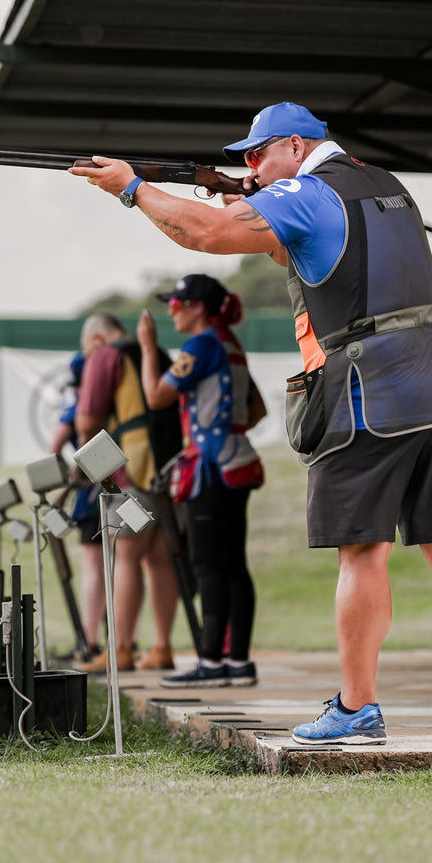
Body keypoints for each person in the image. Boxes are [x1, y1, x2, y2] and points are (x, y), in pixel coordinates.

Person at [69, 101, 432, 745]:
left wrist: (134, 189)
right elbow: (314, 258)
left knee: (362, 552)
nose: (248, 166)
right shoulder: (386, 187)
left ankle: (359, 709)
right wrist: (237, 192)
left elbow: (204, 236)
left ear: (296, 147)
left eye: (256, 154)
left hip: (366, 395)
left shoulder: (308, 192)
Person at [131, 274, 267, 688]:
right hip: (235, 460)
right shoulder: (229, 343)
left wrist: (148, 349)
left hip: (210, 468)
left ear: (196, 308)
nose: (170, 312)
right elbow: (257, 408)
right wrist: (226, 426)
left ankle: (210, 663)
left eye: (175, 305)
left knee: (208, 565)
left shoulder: (203, 344)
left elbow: (156, 396)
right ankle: (237, 661)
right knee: (232, 566)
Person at [74, 313, 182, 673]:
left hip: (130, 470)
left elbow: (87, 419)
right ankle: (162, 647)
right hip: (169, 469)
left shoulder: (106, 356)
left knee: (127, 557)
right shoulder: (158, 353)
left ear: (97, 339)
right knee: (160, 559)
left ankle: (120, 648)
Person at [46, 347, 106, 661]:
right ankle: (116, 640)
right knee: (116, 566)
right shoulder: (114, 400)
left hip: (89, 493)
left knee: (94, 569)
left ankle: (89, 640)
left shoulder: (77, 408)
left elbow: (53, 446)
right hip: (116, 486)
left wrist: (70, 475)